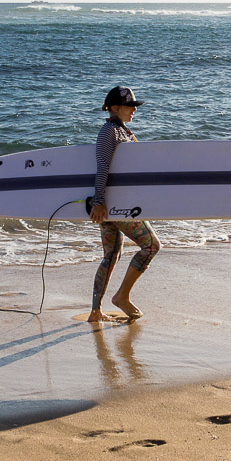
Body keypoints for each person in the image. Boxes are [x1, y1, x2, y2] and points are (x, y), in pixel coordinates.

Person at [87, 86, 161, 323]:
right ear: (115, 108)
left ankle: (95, 311)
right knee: (151, 246)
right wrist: (99, 202)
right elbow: (102, 167)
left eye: (134, 107)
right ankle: (122, 297)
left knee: (111, 255)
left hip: (113, 204)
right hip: (115, 205)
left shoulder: (121, 131)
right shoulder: (110, 131)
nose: (134, 110)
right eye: (130, 106)